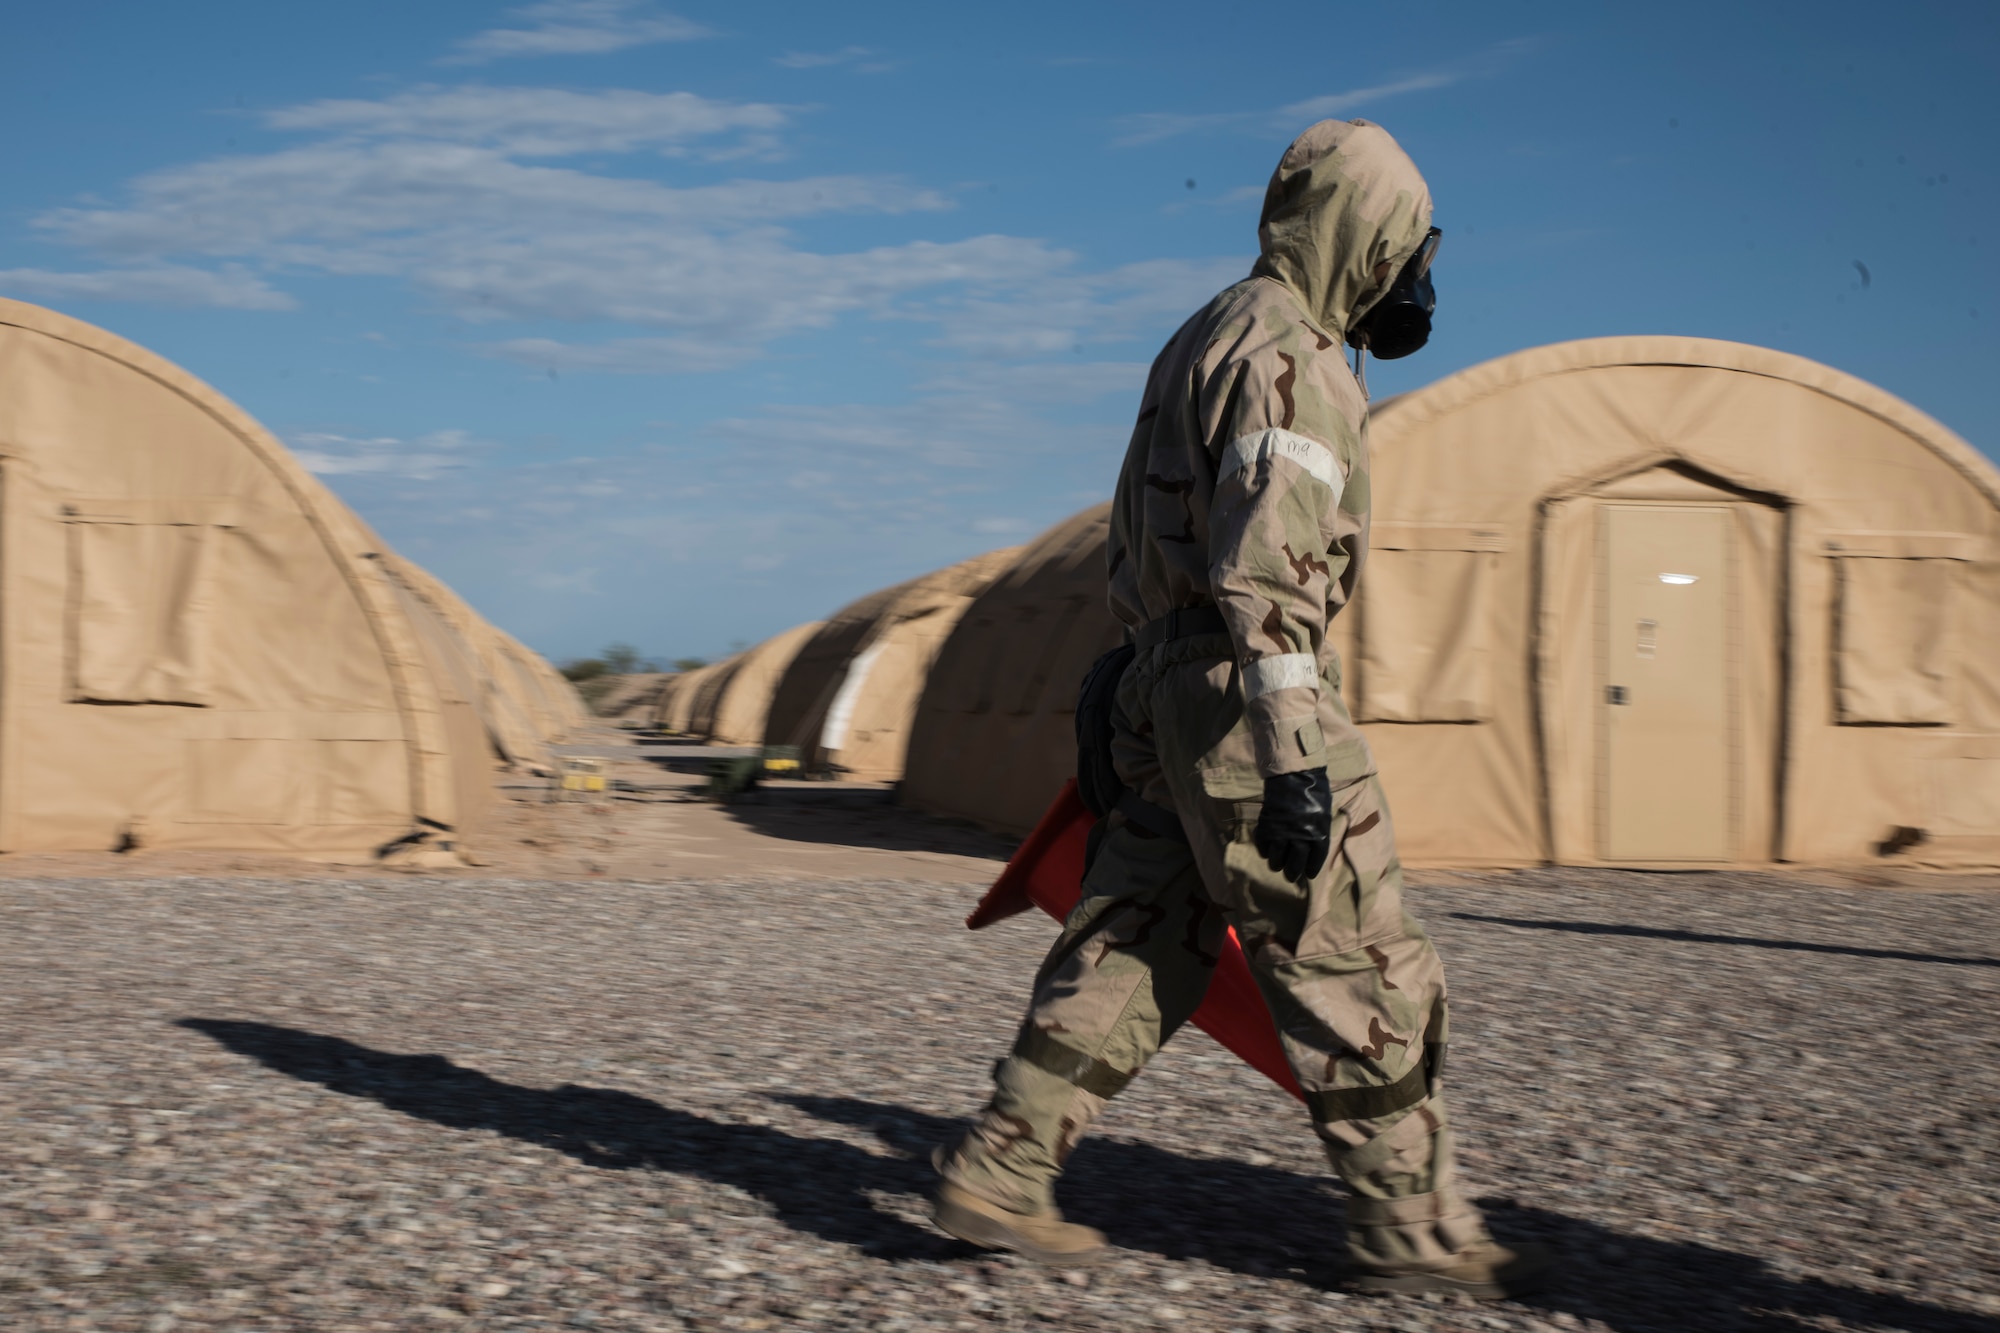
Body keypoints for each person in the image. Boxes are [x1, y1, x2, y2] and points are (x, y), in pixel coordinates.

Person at [931, 118, 1551, 1300]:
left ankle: (999, 1171)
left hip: (1169, 693)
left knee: (1133, 938)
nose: (1409, 280)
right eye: (1403, 248)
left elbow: (1144, 533)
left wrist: (1122, 683)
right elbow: (1265, 573)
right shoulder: (1299, 362)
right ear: (1362, 235)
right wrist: (1294, 759)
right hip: (1253, 700)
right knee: (1357, 964)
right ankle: (1411, 1233)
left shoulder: (1202, 333)